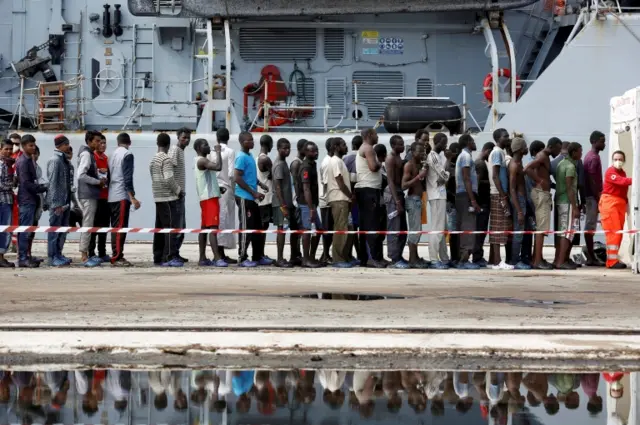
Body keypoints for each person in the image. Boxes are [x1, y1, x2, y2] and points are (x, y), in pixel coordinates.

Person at [524, 137, 562, 269]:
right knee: (541, 229)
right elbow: (527, 169)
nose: (559, 152)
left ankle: (537, 258)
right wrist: (539, 181)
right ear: (551, 147)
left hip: (542, 194)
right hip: (541, 194)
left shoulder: (545, 157)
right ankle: (537, 261)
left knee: (542, 228)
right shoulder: (542, 156)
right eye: (558, 149)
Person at [150, 132, 183, 267]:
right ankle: (168, 256)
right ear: (169, 145)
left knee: (159, 228)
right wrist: (179, 191)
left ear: (157, 144)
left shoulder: (153, 159)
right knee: (170, 227)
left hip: (158, 197)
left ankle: (158, 256)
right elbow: (169, 178)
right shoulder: (166, 159)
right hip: (168, 197)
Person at [235, 131, 267, 267]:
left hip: (251, 197)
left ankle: (258, 255)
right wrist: (253, 193)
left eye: (252, 139)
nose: (253, 142)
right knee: (246, 227)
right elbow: (237, 177)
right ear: (243, 142)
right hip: (244, 197)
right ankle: (242, 257)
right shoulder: (241, 157)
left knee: (257, 227)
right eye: (250, 140)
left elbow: (250, 175)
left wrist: (260, 184)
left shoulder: (250, 155)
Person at [193, 138, 227, 267]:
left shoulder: (201, 161)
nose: (208, 146)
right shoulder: (202, 160)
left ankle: (202, 257)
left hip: (206, 197)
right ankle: (217, 257)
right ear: (198, 149)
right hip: (209, 199)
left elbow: (207, 179)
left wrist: (219, 189)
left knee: (205, 228)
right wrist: (218, 152)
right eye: (205, 145)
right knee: (213, 227)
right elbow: (218, 167)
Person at [355, 128, 385, 268]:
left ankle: (372, 257)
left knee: (370, 224)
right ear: (370, 135)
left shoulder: (364, 148)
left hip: (368, 191)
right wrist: (380, 163)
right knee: (371, 225)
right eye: (376, 134)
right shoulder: (368, 149)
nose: (377, 136)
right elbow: (373, 167)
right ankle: (370, 258)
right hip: (369, 191)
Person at [108, 132, 139, 267]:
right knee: (121, 227)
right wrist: (132, 197)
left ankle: (116, 253)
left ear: (117, 142)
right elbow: (128, 178)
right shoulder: (127, 155)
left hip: (111, 195)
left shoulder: (112, 155)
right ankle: (117, 256)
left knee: (115, 227)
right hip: (121, 195)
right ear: (129, 142)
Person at [16, 134, 47, 268]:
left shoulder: (29, 160)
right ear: (23, 146)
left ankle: (26, 255)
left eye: (34, 145)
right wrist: (42, 188)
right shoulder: (23, 162)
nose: (33, 148)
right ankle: (22, 257)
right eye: (31, 145)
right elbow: (26, 183)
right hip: (27, 199)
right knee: (25, 230)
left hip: (32, 199)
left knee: (29, 230)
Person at [77, 130, 107, 267]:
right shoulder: (86, 155)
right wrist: (97, 182)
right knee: (87, 225)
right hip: (88, 195)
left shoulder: (89, 155)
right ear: (89, 141)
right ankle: (84, 256)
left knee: (88, 224)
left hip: (90, 194)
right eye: (96, 141)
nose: (99, 143)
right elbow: (81, 175)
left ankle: (86, 254)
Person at [599, 150, 632, 269]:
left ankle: (613, 258)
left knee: (618, 233)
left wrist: (627, 204)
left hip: (619, 204)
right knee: (613, 233)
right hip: (610, 203)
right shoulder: (610, 172)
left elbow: (623, 190)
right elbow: (621, 182)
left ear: (624, 161)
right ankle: (611, 262)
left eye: (620, 159)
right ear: (612, 161)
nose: (618, 161)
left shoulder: (622, 172)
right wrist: (635, 179)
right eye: (616, 159)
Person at [554, 142, 583, 270]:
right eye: (580, 151)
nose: (581, 153)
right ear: (574, 152)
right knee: (568, 232)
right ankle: (561, 261)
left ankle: (559, 259)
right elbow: (570, 188)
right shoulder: (570, 167)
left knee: (562, 232)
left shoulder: (561, 164)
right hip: (568, 202)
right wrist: (575, 207)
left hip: (561, 201)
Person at [487, 128, 513, 270]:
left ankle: (495, 260)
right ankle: (497, 261)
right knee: (498, 226)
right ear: (498, 139)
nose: (508, 138)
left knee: (499, 226)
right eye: (505, 136)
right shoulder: (497, 152)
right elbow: (495, 175)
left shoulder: (500, 152)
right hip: (498, 193)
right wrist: (503, 194)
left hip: (498, 192)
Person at [45, 135, 73, 267]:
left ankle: (58, 254)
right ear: (61, 145)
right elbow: (52, 183)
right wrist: (56, 203)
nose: (68, 147)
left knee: (62, 230)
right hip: (58, 203)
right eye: (66, 144)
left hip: (65, 202)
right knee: (54, 231)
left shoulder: (64, 161)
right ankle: (52, 257)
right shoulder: (55, 161)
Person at [454, 134, 481, 269]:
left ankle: (463, 259)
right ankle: (464, 260)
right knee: (468, 227)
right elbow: (466, 178)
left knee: (467, 226)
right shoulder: (465, 156)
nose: (475, 143)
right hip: (466, 195)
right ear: (468, 142)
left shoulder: (464, 156)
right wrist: (472, 200)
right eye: (473, 141)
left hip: (464, 195)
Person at [326, 138, 354, 268]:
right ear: (336, 147)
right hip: (339, 199)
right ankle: (337, 259)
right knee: (340, 229)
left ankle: (345, 256)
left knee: (347, 228)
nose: (346, 147)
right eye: (343, 145)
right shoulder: (336, 161)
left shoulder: (339, 161)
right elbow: (340, 182)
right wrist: (350, 195)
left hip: (343, 199)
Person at [211, 128, 237, 263]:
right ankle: (221, 254)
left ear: (217, 138)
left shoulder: (212, 152)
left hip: (214, 189)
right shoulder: (230, 152)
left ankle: (219, 252)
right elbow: (232, 174)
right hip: (226, 188)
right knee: (225, 220)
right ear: (228, 138)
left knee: (218, 220)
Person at [426, 133, 451, 269]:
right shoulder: (434, 156)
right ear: (438, 142)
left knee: (442, 228)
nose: (446, 145)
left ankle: (444, 257)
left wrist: (444, 177)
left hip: (440, 194)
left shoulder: (438, 156)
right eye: (444, 142)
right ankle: (434, 259)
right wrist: (448, 163)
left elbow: (443, 177)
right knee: (437, 228)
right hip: (436, 195)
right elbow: (444, 175)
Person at [402, 142, 428, 268]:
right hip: (412, 200)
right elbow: (404, 185)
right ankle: (412, 259)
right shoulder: (409, 165)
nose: (422, 154)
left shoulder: (419, 164)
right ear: (412, 152)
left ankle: (416, 257)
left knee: (418, 231)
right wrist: (418, 176)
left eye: (423, 151)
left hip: (418, 199)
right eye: (420, 152)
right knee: (414, 231)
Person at [383, 135, 408, 269]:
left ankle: (399, 255)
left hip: (399, 193)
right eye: (400, 144)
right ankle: (394, 258)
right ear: (393, 145)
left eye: (403, 144)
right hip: (393, 196)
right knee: (394, 228)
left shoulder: (399, 157)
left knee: (403, 229)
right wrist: (397, 201)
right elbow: (390, 181)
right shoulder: (390, 159)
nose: (402, 146)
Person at [297, 141, 323, 268]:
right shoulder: (306, 167)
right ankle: (306, 259)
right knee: (307, 231)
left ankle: (311, 257)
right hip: (306, 204)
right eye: (312, 151)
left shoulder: (312, 164)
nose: (316, 152)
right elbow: (306, 188)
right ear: (306, 153)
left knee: (319, 229)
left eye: (316, 150)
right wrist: (311, 208)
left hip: (312, 204)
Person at [582, 130, 606, 267]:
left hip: (592, 196)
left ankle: (591, 256)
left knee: (590, 226)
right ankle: (591, 258)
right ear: (594, 142)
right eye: (602, 141)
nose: (604, 144)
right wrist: (597, 194)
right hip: (592, 197)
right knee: (589, 227)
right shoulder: (593, 158)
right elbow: (591, 178)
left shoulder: (592, 156)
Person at [508, 138, 532, 269]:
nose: (526, 149)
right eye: (525, 146)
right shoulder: (514, 165)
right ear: (520, 149)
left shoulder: (519, 162)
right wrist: (519, 211)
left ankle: (519, 259)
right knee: (518, 233)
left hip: (522, 199)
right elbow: (512, 189)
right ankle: (515, 261)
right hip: (518, 200)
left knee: (522, 232)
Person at [272, 138, 295, 268]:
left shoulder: (283, 162)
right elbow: (278, 187)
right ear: (278, 148)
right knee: (281, 229)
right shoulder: (279, 165)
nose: (286, 150)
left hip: (284, 202)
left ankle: (281, 257)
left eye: (288, 148)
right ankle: (279, 258)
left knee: (284, 229)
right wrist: (283, 205)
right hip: (281, 204)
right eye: (284, 148)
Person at [169, 127, 191, 263]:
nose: (186, 140)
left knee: (181, 226)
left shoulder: (181, 151)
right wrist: (177, 190)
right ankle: (172, 255)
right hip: (176, 195)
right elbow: (168, 171)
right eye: (184, 138)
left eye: (188, 138)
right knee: (177, 226)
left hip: (180, 195)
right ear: (178, 137)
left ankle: (176, 253)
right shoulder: (175, 150)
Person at [88, 134, 110, 263]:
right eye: (100, 142)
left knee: (104, 225)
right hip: (96, 196)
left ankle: (102, 252)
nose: (102, 145)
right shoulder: (93, 158)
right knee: (94, 225)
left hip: (106, 196)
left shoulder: (106, 158)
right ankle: (91, 251)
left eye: (104, 143)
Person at [473, 142, 494, 267]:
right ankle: (477, 257)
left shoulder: (479, 162)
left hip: (482, 202)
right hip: (482, 203)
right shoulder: (480, 164)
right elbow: (478, 183)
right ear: (487, 150)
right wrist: (492, 181)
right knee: (480, 231)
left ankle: (478, 255)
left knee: (481, 231)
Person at [343, 135, 363, 264]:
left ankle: (351, 254)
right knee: (358, 227)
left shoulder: (345, 159)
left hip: (349, 197)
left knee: (352, 227)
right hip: (359, 197)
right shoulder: (361, 158)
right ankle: (360, 254)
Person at [256, 135, 274, 265]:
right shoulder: (265, 159)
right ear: (269, 144)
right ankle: (260, 255)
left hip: (260, 196)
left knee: (261, 227)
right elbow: (275, 174)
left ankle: (259, 254)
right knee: (263, 227)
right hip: (265, 197)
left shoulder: (256, 157)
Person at [289, 139, 307, 266]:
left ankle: (296, 254)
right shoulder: (296, 163)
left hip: (298, 200)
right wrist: (299, 199)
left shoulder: (301, 162)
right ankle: (294, 255)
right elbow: (295, 183)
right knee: (296, 229)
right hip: (297, 201)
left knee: (298, 229)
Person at [319, 138, 335, 264]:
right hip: (327, 201)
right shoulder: (327, 163)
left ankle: (326, 254)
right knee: (327, 229)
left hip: (330, 199)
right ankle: (325, 254)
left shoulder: (331, 161)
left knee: (330, 229)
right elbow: (326, 183)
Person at [0, 139, 14, 267]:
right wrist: (12, 184)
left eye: (11, 149)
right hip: (2, 201)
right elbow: (1, 184)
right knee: (4, 229)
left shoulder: (8, 165)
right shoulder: (2, 165)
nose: (9, 151)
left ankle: (2, 256)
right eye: (6, 149)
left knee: (6, 230)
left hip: (7, 200)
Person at [445, 142, 460, 264]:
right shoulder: (449, 166)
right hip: (452, 203)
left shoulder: (454, 165)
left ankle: (457, 256)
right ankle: (454, 258)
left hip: (456, 203)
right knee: (454, 232)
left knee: (457, 232)